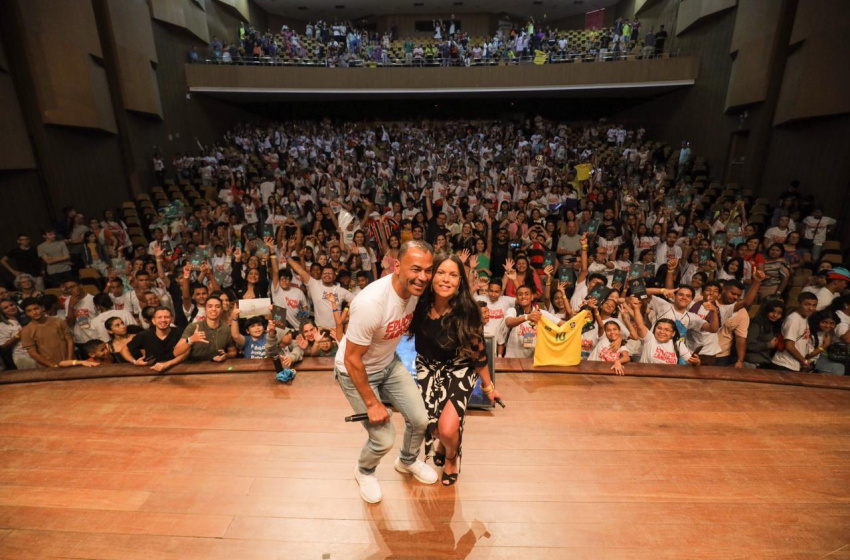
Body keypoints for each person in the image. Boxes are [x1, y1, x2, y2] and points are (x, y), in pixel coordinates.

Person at [334, 240, 438, 504]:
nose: (423, 277)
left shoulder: (417, 290)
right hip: (355, 370)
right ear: (397, 265)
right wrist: (372, 402)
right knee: (383, 437)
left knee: (419, 420)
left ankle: (407, 461)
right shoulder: (371, 302)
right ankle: (364, 471)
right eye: (416, 269)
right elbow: (352, 358)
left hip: (388, 364)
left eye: (428, 270)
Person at [409, 253, 501, 486]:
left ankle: (451, 457)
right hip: (427, 370)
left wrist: (489, 387)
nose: (446, 279)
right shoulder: (417, 305)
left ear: (460, 281)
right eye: (440, 272)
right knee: (435, 430)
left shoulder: (468, 311)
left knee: (448, 430)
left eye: (453, 274)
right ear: (431, 276)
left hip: (460, 370)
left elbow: (478, 353)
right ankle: (442, 443)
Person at [173, 295, 237, 363]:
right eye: (210, 306)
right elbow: (176, 352)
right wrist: (191, 339)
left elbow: (233, 351)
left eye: (217, 306)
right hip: (194, 367)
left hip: (218, 367)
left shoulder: (226, 328)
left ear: (221, 310)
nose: (214, 309)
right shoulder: (193, 327)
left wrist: (226, 355)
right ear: (205, 309)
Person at [121, 307, 187, 373]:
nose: (163, 320)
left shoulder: (181, 333)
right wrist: (134, 362)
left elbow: (186, 352)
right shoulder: (144, 335)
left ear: (171, 319)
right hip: (152, 372)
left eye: (166, 317)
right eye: (159, 317)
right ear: (153, 321)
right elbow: (124, 349)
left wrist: (167, 364)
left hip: (180, 370)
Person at [19, 298, 75, 368]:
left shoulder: (59, 322)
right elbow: (33, 353)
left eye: (36, 308)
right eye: (29, 311)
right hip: (47, 366)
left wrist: (69, 360)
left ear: (42, 308)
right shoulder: (26, 330)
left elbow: (69, 340)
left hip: (67, 360)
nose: (34, 312)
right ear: (26, 314)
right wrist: (52, 365)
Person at [771, 292, 819, 371]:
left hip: (792, 365)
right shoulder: (793, 320)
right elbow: (789, 346)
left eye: (814, 305)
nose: (811, 308)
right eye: (807, 304)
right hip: (784, 364)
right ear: (798, 303)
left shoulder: (804, 318)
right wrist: (804, 361)